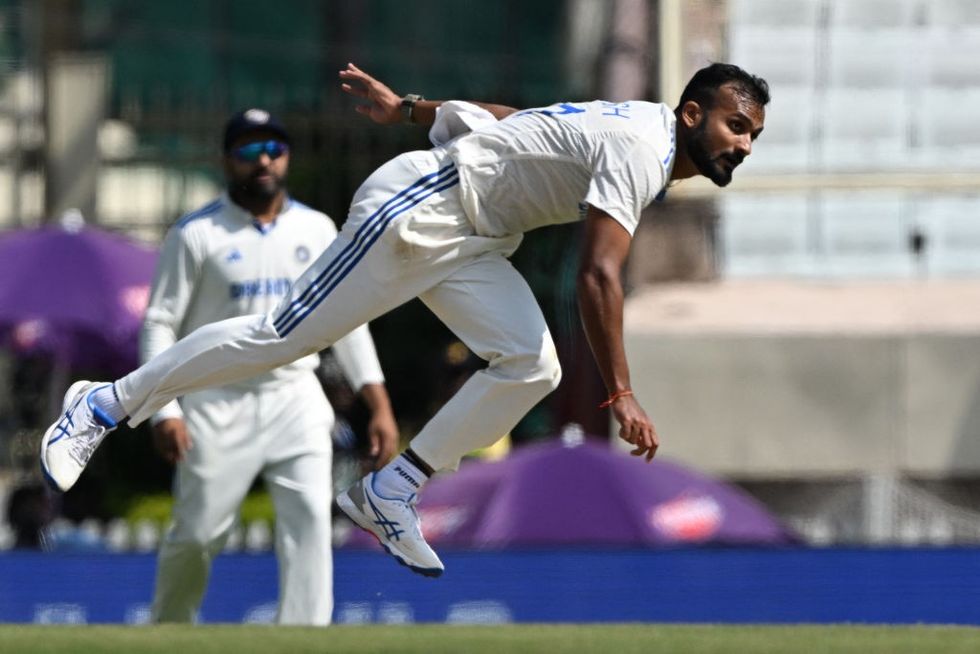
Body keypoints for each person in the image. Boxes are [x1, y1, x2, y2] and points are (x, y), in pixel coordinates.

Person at [40, 62, 769, 578]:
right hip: (424, 205)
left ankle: (391, 489)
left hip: (474, 240)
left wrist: (411, 108)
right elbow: (598, 273)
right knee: (281, 339)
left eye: (753, 136)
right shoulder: (645, 149)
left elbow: (520, 122)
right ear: (692, 113)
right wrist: (621, 392)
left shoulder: (638, 127)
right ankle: (101, 403)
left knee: (532, 363)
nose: (742, 144)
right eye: (736, 126)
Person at [144, 109, 397, 624]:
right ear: (225, 160)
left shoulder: (317, 228)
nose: (262, 161)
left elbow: (345, 320)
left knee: (308, 522)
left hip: (295, 397)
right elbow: (159, 324)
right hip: (217, 401)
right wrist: (163, 409)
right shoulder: (196, 234)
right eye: (247, 150)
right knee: (197, 535)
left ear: (287, 158)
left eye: (273, 150)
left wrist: (379, 405)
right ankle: (168, 632)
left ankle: (303, 637)